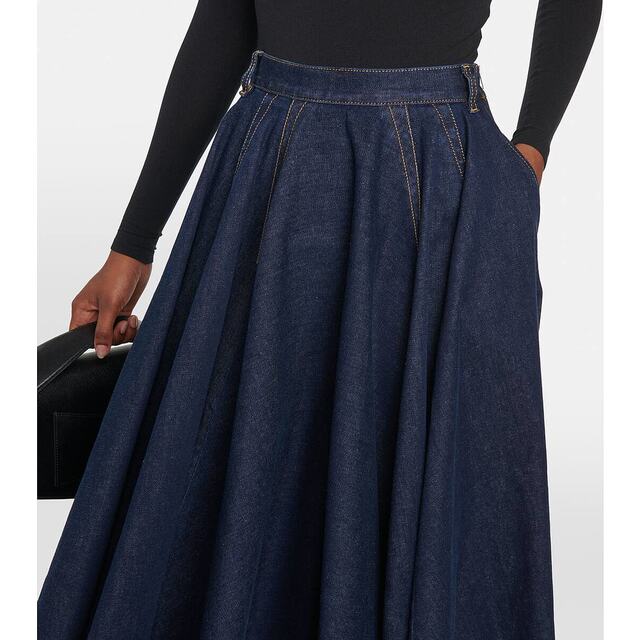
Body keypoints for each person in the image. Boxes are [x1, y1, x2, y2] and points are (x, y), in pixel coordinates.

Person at [39, 1, 601, 638]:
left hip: (434, 179)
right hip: (274, 167)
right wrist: (134, 241)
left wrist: (530, 151)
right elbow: (227, 17)